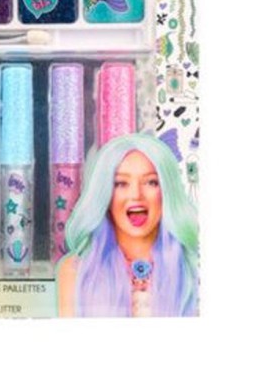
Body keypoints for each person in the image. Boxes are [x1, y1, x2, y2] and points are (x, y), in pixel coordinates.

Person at [56, 133, 198, 317]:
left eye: (151, 182)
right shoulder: (76, 272)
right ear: (105, 194)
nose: (136, 195)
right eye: (121, 183)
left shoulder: (193, 269)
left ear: (167, 190)